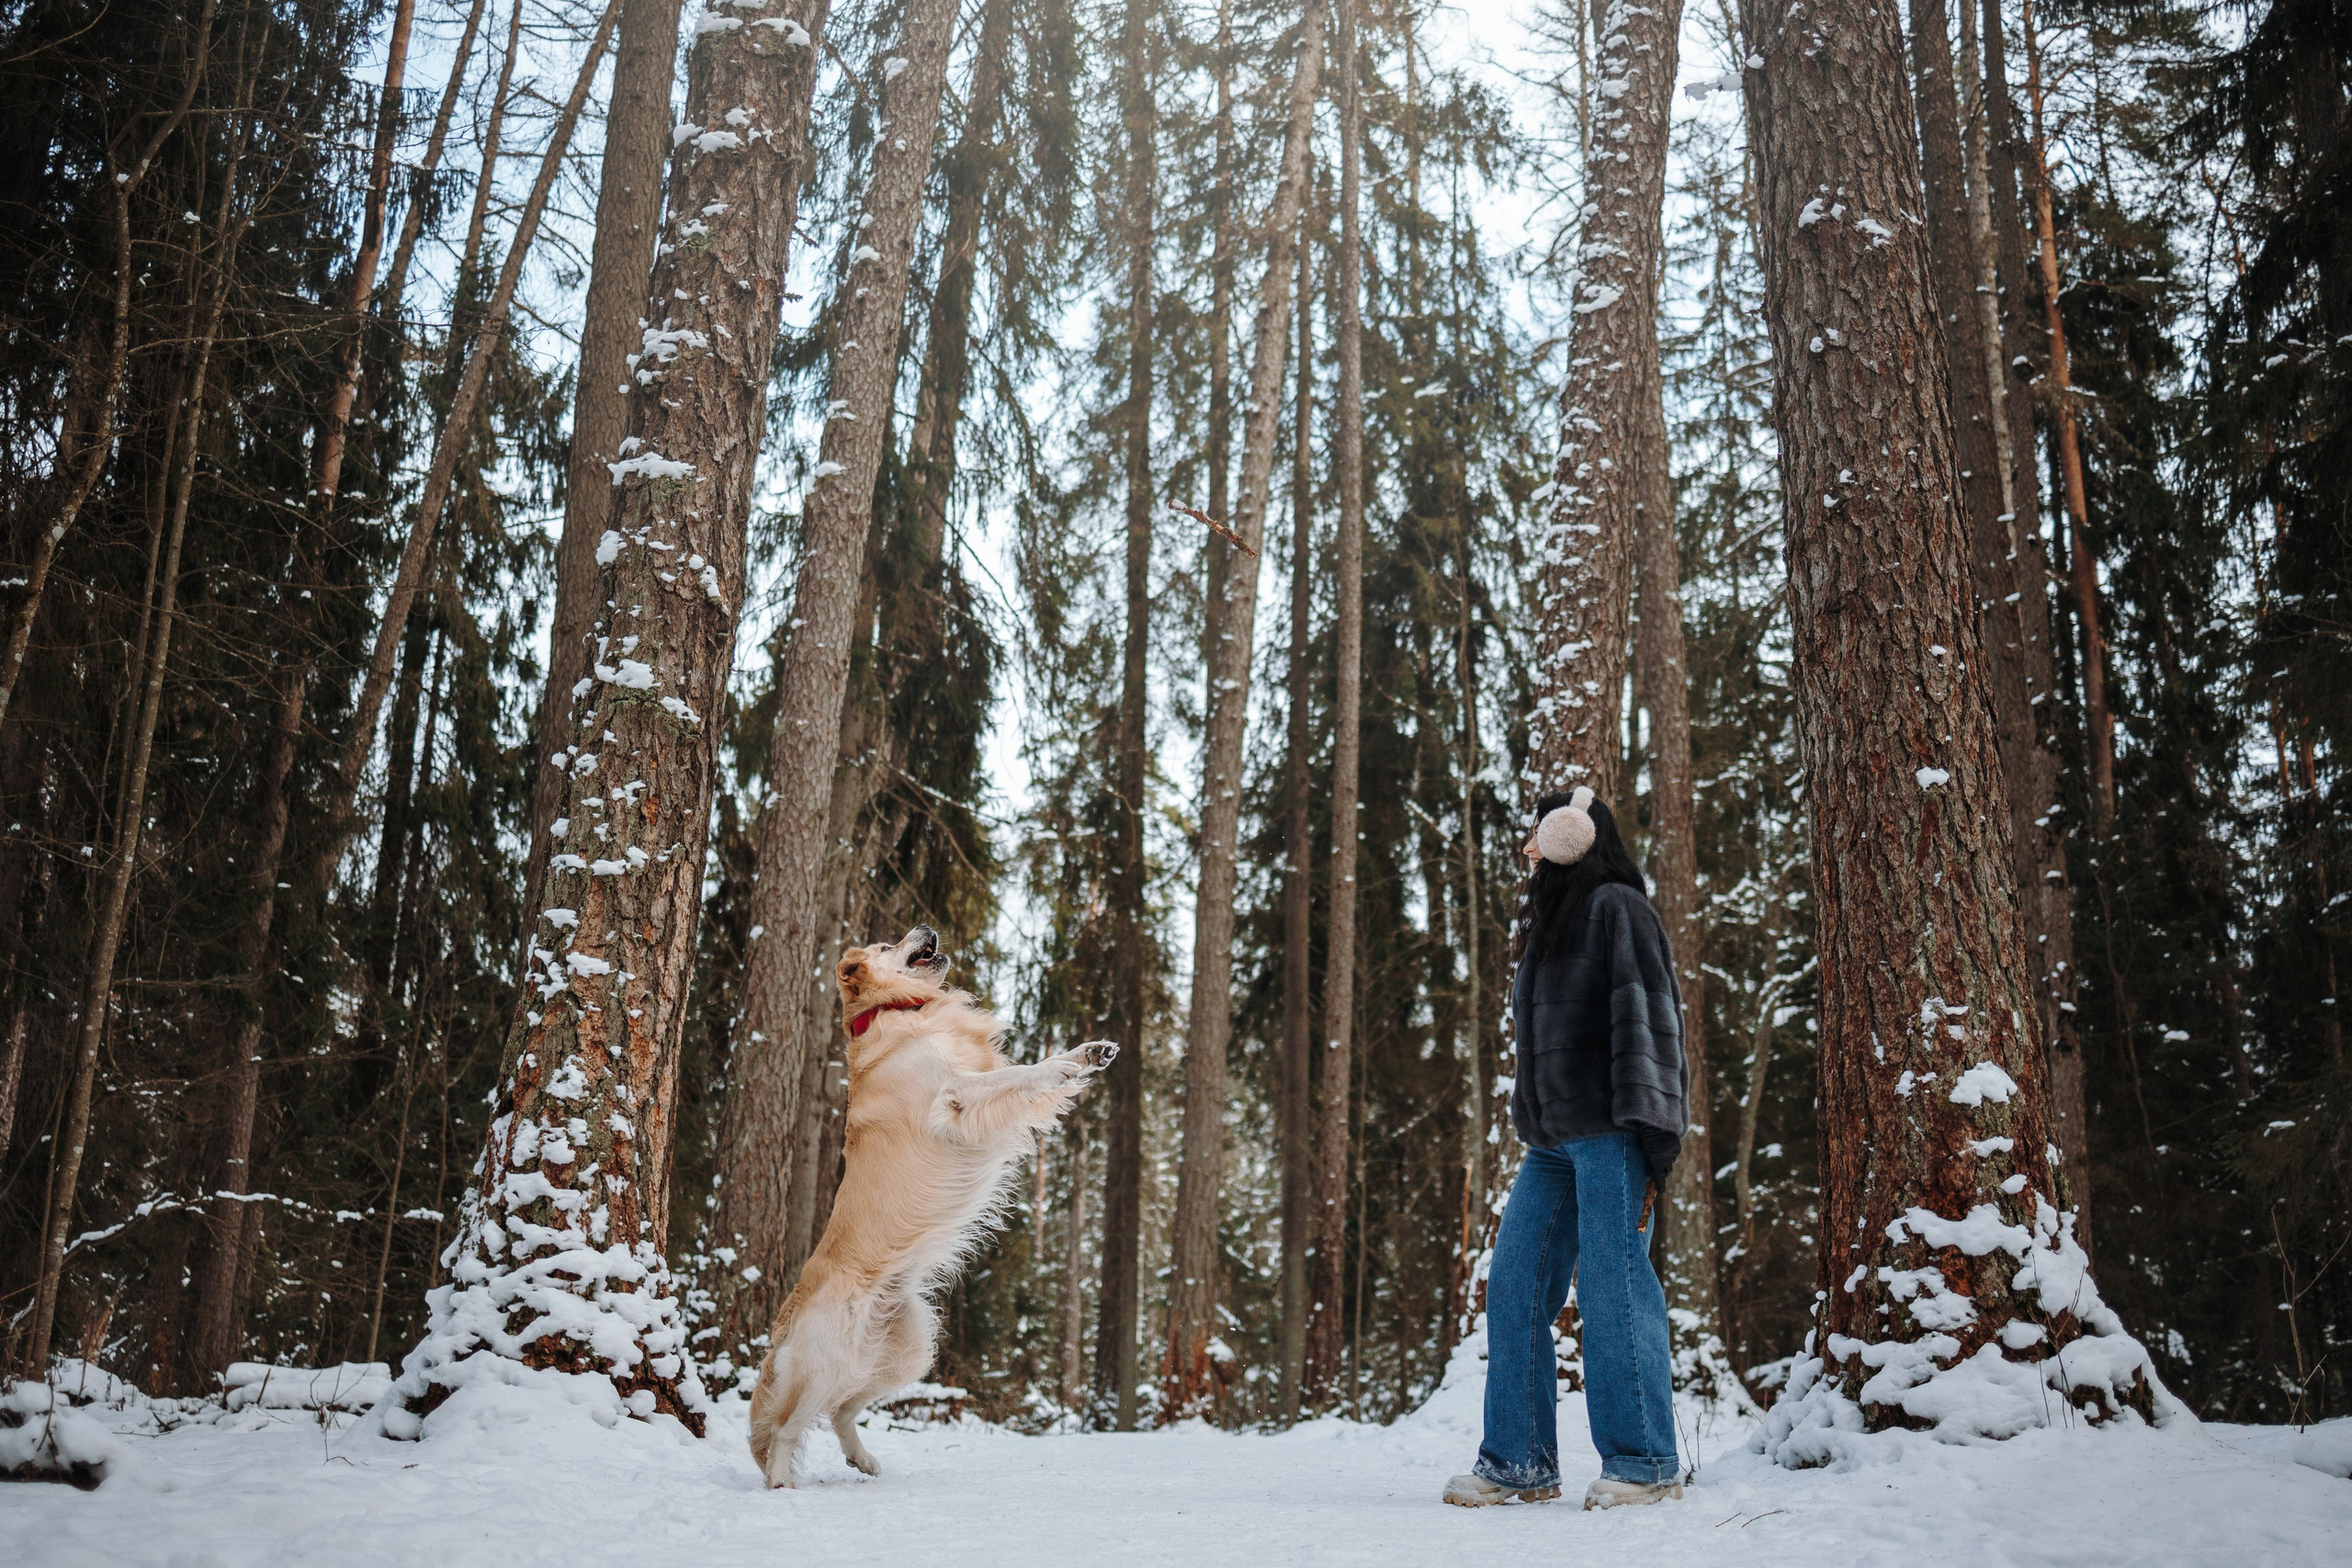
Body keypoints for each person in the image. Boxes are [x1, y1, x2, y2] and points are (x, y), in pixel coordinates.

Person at [1443, 785, 1688, 1511]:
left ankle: (1645, 1461)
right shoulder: (1553, 920)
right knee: (1515, 1282)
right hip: (1552, 1141)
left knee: (1613, 1290)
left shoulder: (1619, 906)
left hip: (1613, 1129)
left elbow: (1650, 1027)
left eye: (1544, 834)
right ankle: (1519, 1461)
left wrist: (1653, 1142)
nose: (1533, 849)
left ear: (1575, 836)